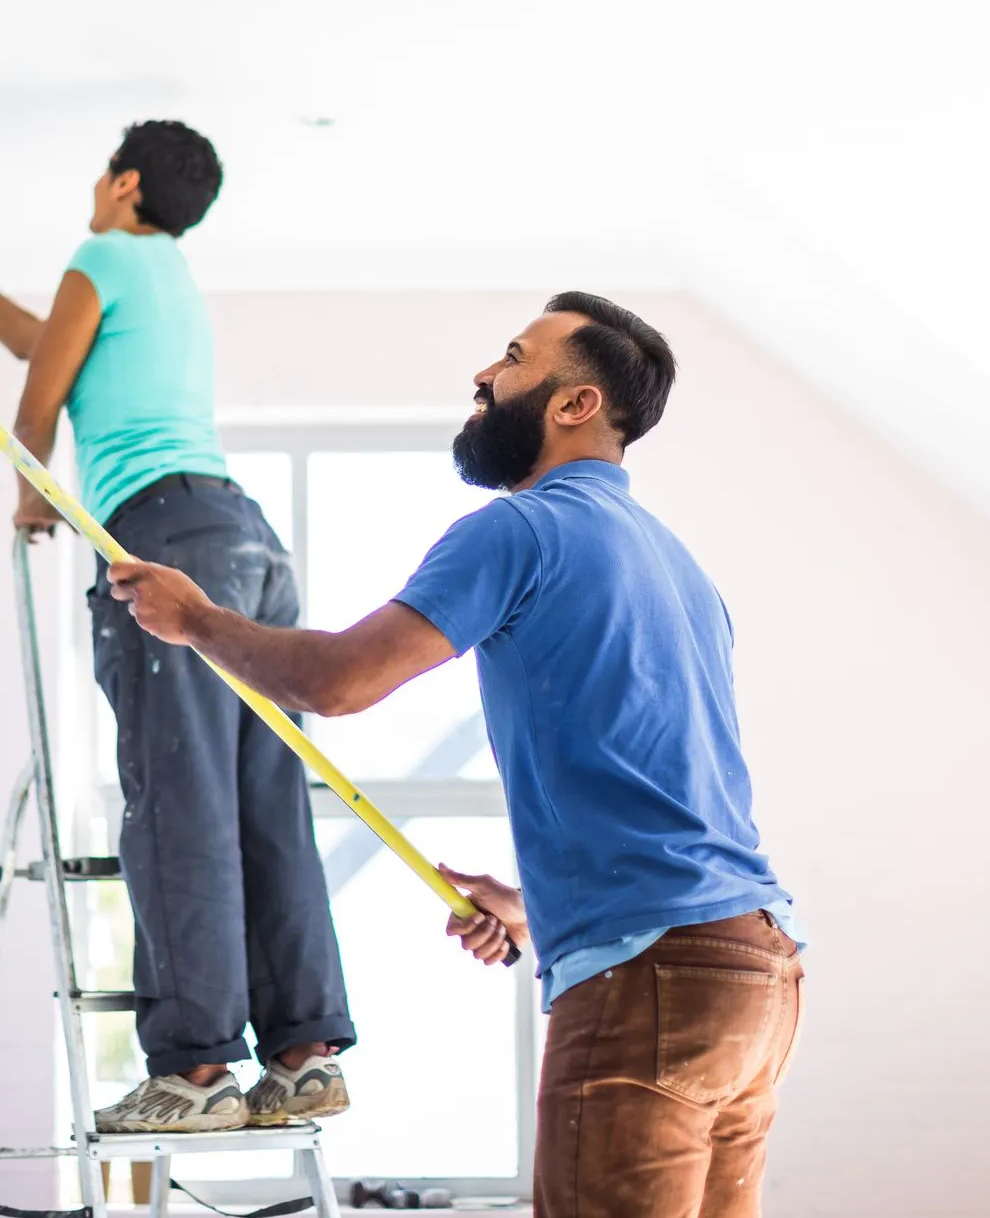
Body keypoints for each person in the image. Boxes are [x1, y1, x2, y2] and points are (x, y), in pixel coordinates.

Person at [105, 292, 805, 1216]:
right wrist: (533, 908)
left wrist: (196, 620)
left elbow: (340, 682)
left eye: (512, 359)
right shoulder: (677, 565)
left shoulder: (523, 529)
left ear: (573, 405)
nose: (482, 375)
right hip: (753, 971)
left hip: (654, 984)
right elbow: (664, 778)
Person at [0, 121, 354, 1134]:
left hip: (164, 534)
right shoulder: (160, 276)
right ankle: (299, 1053)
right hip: (244, 539)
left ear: (122, 183)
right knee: (263, 792)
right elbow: (45, 344)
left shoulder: (101, 252)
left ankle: (197, 1069)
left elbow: (39, 398)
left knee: (179, 798)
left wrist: (30, 493)